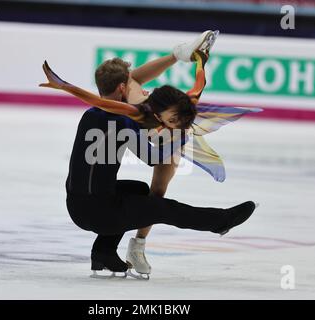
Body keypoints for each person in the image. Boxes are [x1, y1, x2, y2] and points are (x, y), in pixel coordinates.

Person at [40, 31, 260, 279]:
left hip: (76, 204)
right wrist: (177, 137)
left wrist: (65, 86)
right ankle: (220, 221)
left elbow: (119, 93)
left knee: (138, 189)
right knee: (163, 209)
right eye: (134, 86)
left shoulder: (91, 114)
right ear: (123, 88)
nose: (140, 90)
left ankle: (104, 253)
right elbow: (153, 158)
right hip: (101, 214)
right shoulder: (124, 122)